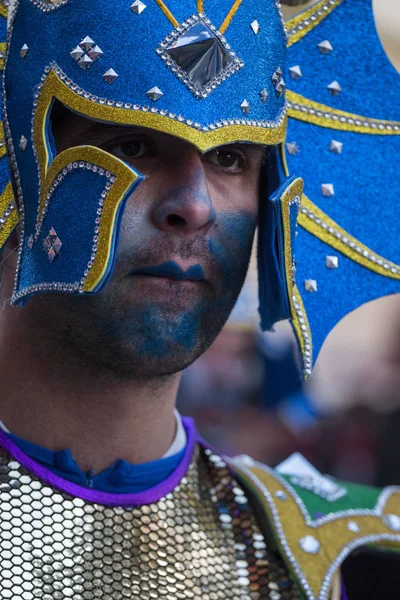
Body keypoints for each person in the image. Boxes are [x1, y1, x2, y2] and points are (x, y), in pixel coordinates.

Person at [0, 0, 399, 599]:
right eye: (133, 145)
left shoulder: (294, 560)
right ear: (18, 165)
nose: (196, 205)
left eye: (230, 158)